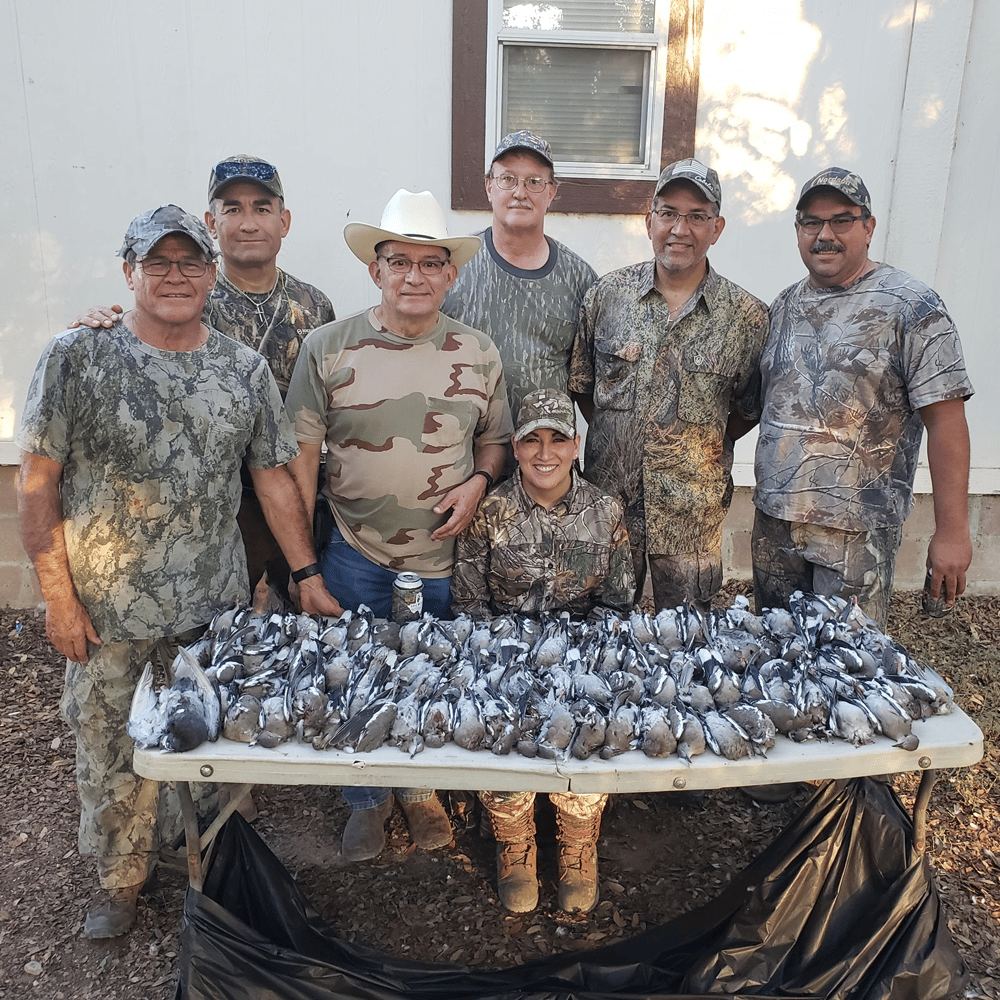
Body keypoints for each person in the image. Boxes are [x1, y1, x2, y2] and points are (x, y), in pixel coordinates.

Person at [16, 205, 341, 939]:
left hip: (209, 610)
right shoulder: (76, 356)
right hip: (109, 614)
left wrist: (306, 573)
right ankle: (119, 882)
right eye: (155, 262)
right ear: (128, 272)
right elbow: (37, 484)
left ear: (210, 270)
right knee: (109, 750)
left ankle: (209, 870)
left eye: (189, 261)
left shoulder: (241, 369)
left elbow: (272, 480)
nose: (174, 275)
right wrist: (58, 599)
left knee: (207, 746)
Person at [285, 188, 513, 864]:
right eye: (399, 262)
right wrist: (304, 563)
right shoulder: (328, 348)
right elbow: (299, 459)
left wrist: (478, 482)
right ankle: (366, 799)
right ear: (374, 269)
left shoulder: (478, 351)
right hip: (355, 551)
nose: (414, 276)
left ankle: (417, 787)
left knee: (431, 675)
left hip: (444, 561)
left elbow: (497, 442)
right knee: (358, 673)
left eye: (430, 263)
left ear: (450, 273)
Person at [70, 155, 335, 602]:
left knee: (297, 625)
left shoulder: (314, 307)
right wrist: (99, 321)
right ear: (212, 222)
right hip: (215, 506)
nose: (248, 222)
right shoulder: (186, 299)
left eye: (262, 208)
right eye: (232, 209)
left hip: (295, 492)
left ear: (284, 221)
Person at [752, 167, 973, 627]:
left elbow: (946, 421)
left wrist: (953, 530)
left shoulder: (911, 307)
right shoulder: (784, 305)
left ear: (868, 227)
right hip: (775, 527)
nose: (824, 235)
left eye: (842, 220)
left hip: (855, 536)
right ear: (798, 230)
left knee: (847, 672)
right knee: (775, 667)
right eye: (811, 222)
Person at [452, 388, 634, 913]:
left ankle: (578, 843)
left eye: (557, 439)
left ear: (577, 445)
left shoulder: (605, 511)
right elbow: (469, 606)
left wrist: (577, 666)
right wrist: (507, 664)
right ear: (515, 445)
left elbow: (617, 606)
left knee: (587, 731)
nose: (545, 453)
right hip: (503, 657)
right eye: (533, 440)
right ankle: (516, 844)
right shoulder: (490, 512)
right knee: (497, 731)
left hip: (583, 660)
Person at [569, 159, 769, 611]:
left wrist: (687, 447)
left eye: (697, 216)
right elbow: (585, 388)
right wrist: (625, 441)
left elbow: (744, 412)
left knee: (688, 646)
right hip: (608, 511)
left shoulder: (747, 317)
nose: (681, 228)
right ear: (649, 221)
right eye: (668, 213)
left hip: (690, 519)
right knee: (599, 636)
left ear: (716, 228)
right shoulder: (606, 296)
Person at [442, 130, 597, 431]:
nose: (520, 192)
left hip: (542, 463)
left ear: (552, 192)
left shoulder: (580, 279)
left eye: (534, 182)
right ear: (489, 186)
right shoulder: (454, 265)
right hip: (462, 459)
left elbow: (588, 388)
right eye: (508, 179)